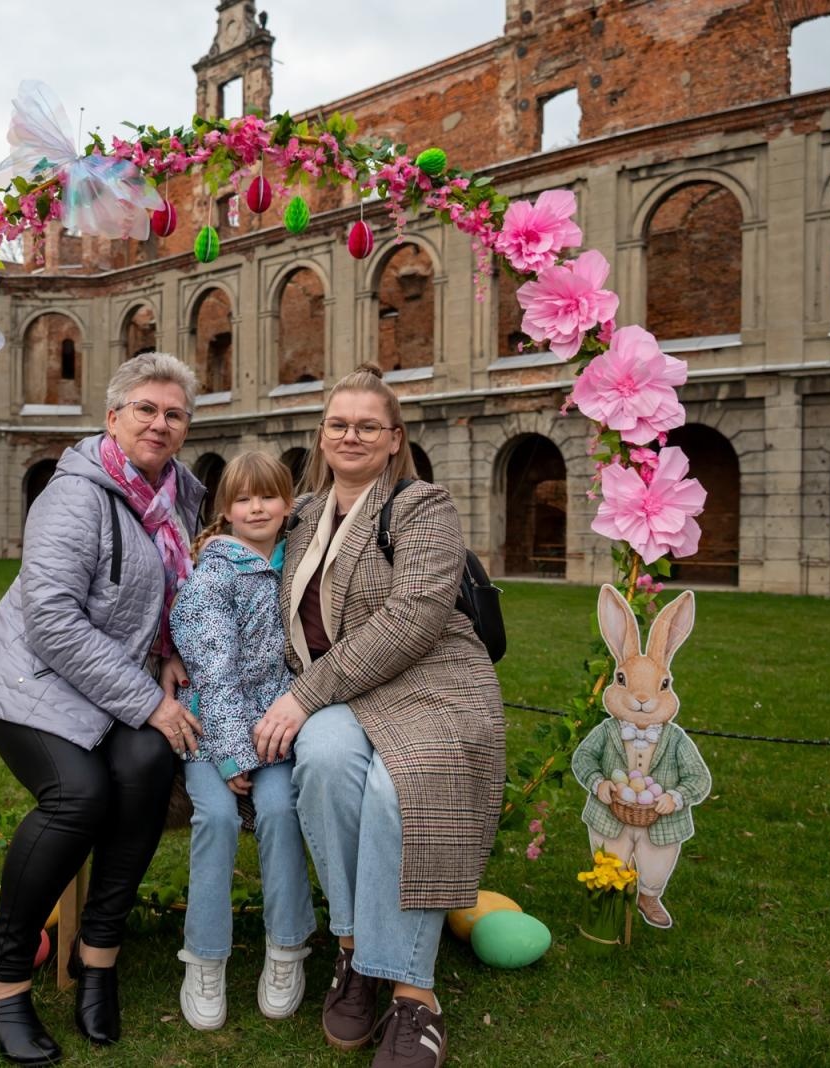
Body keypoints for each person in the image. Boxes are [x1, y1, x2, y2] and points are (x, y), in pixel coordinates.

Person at [0, 352, 206, 1066]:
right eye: (146, 409)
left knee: (149, 767)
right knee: (79, 796)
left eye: (175, 413)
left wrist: (172, 653)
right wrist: (148, 702)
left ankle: (98, 958)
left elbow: (174, 590)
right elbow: (53, 620)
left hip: (111, 685)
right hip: (31, 682)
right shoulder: (75, 497)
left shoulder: (179, 492)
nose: (160, 423)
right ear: (113, 417)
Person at [251, 364, 505, 1068]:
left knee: (404, 785)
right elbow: (236, 576)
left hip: (429, 682)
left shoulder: (424, 505)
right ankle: (358, 950)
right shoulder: (298, 516)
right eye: (339, 423)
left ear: (395, 439)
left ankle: (413, 994)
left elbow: (415, 616)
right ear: (322, 435)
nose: (352, 435)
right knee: (327, 765)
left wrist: (303, 696)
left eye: (368, 425)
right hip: (339, 694)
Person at [168, 452, 316, 1032]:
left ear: (289, 505)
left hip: (275, 726)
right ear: (226, 510)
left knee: (281, 809)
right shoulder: (215, 575)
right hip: (211, 729)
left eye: (270, 497)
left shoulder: (297, 566)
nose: (257, 508)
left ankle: (286, 948)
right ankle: (205, 957)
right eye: (244, 499)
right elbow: (215, 670)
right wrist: (231, 752)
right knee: (218, 818)